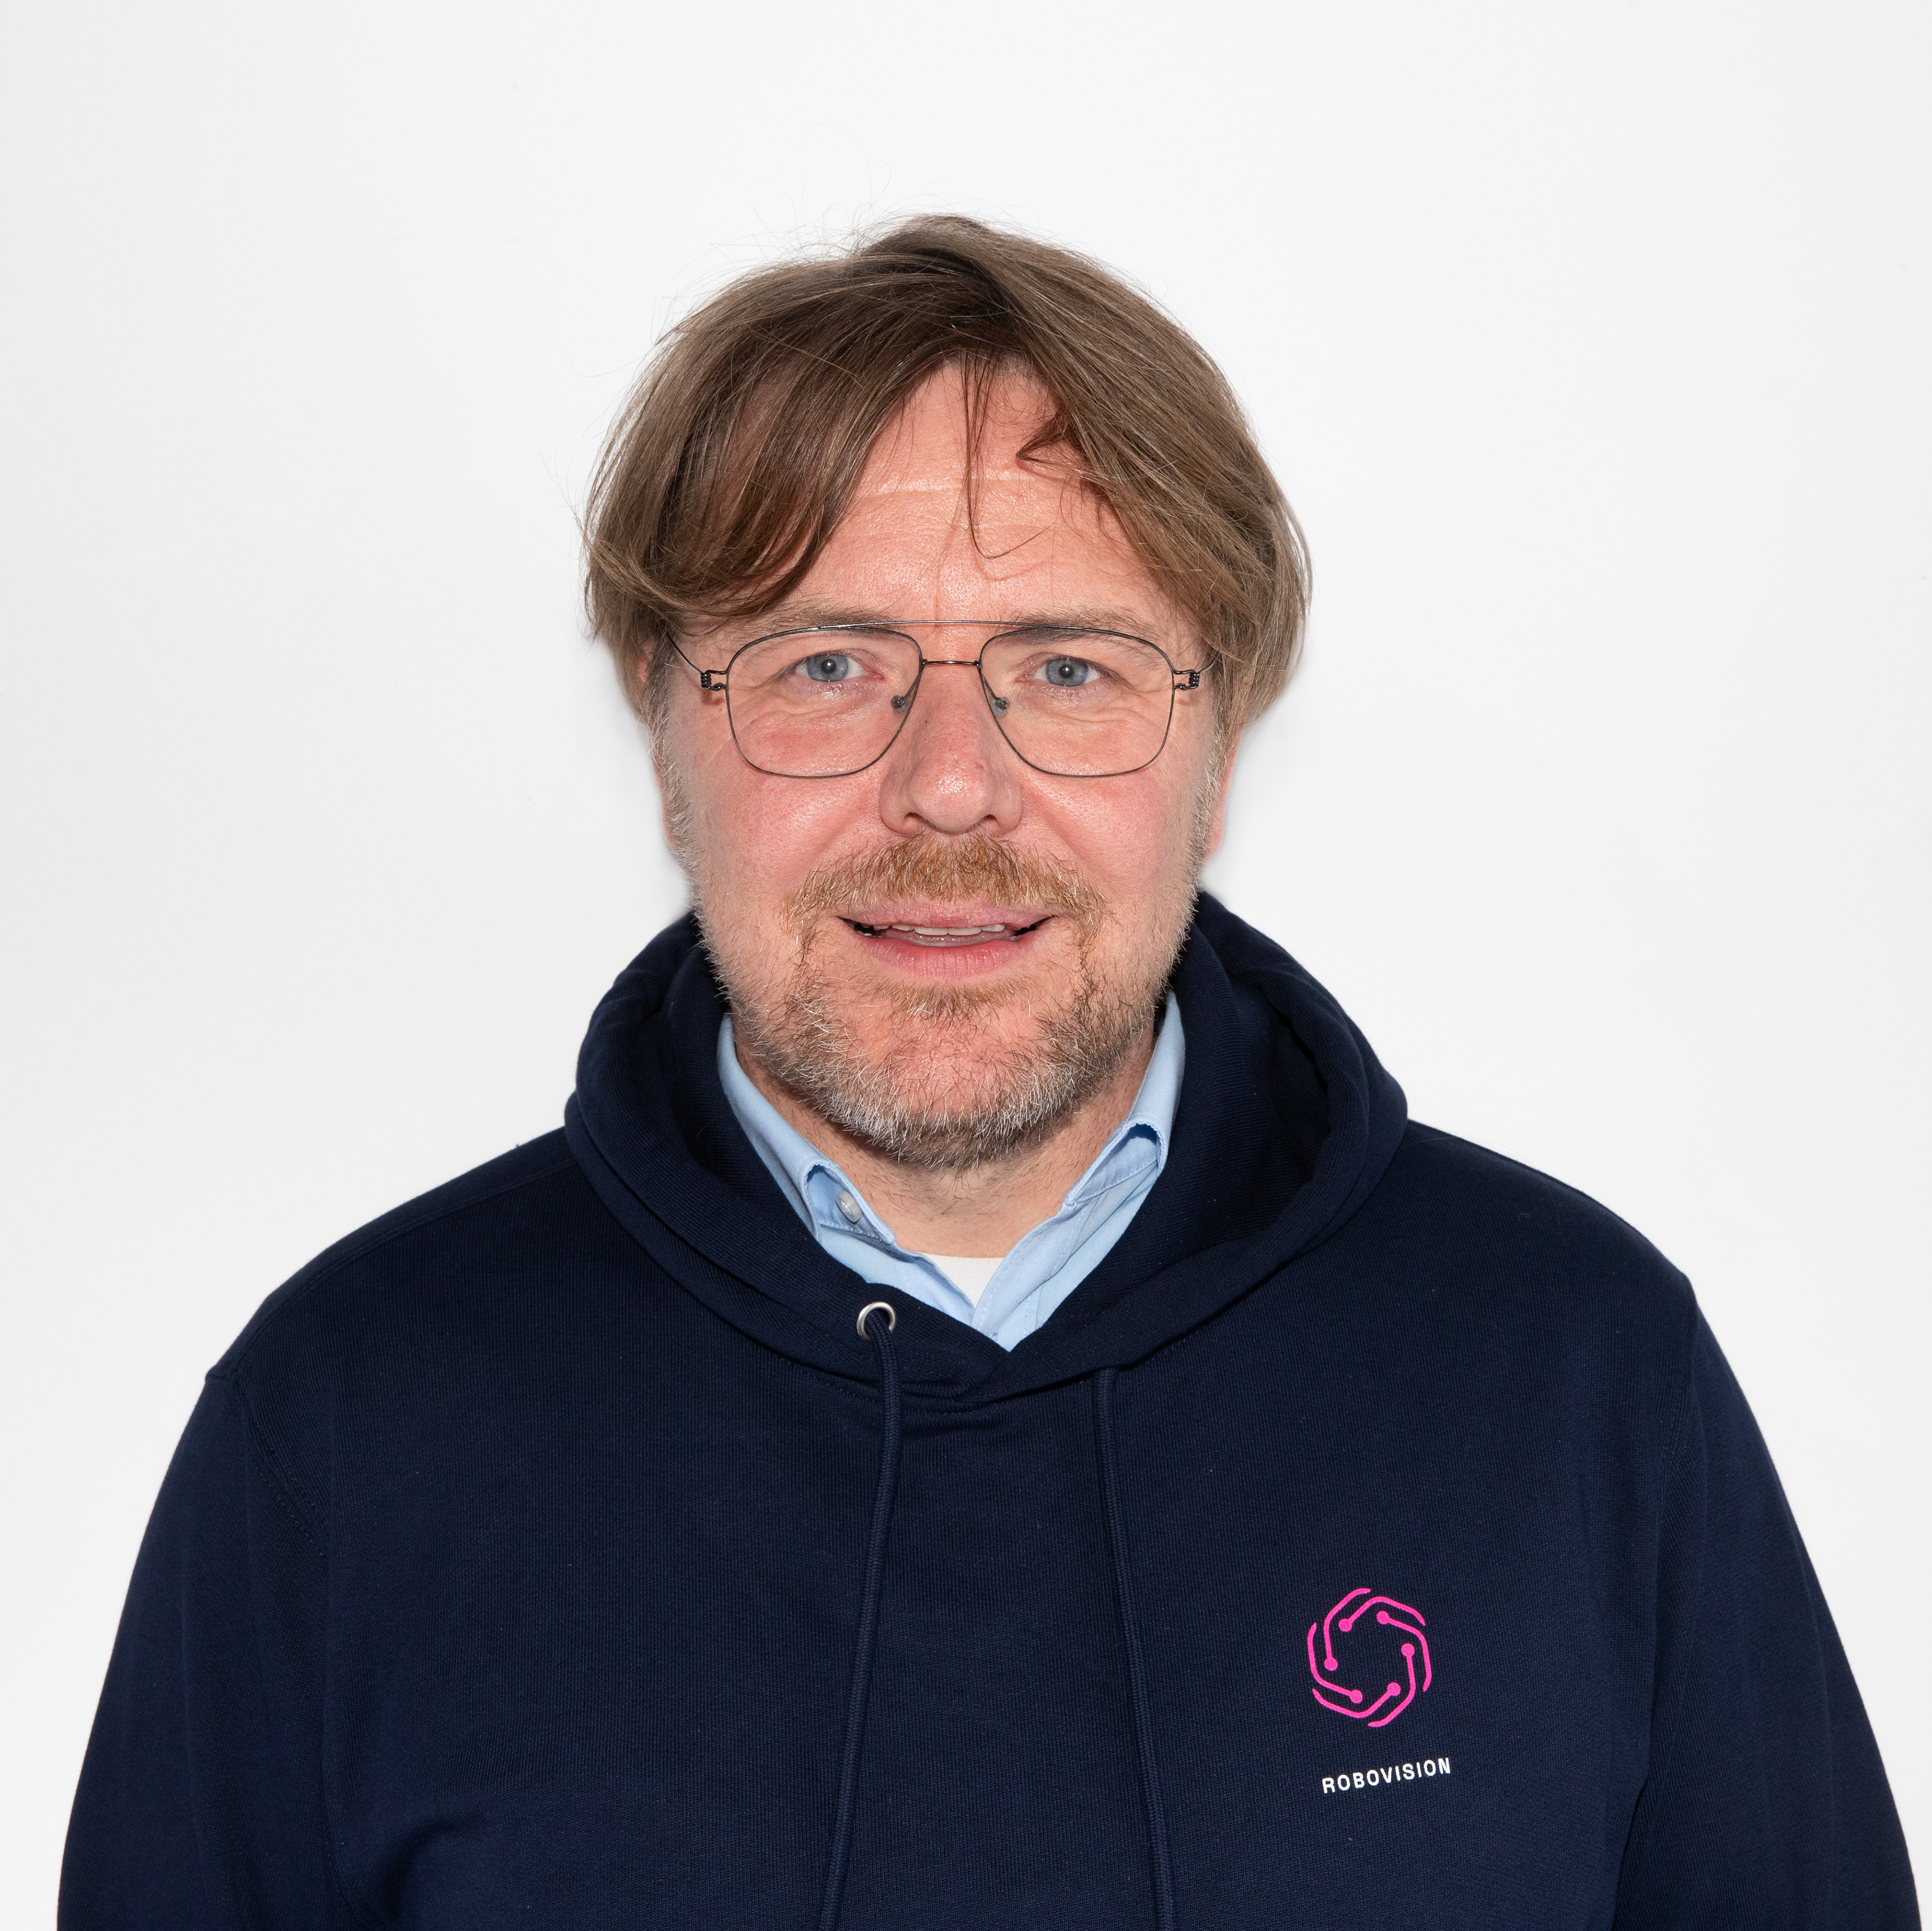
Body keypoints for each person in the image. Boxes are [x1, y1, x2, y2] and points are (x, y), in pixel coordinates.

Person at [60, 216, 1917, 1929]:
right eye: (826, 664)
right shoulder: (346, 1427)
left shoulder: (1572, 1371)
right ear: (662, 728)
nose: (950, 786)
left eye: (1072, 668)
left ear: (1219, 742)